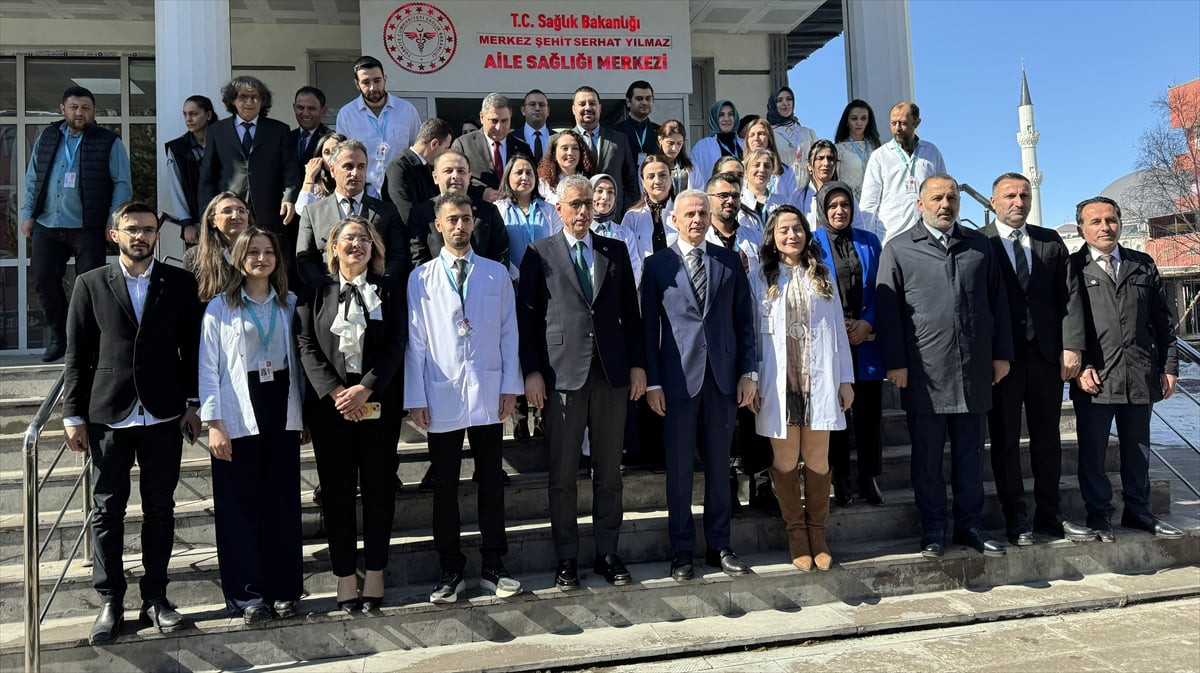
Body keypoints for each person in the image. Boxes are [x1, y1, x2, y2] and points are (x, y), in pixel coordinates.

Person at [61, 201, 201, 644]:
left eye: (146, 229)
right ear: (113, 234)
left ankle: (156, 598)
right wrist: (72, 414)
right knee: (107, 510)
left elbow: (192, 348)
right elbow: (77, 354)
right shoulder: (89, 283)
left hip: (163, 413)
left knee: (160, 509)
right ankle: (110, 600)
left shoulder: (179, 282)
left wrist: (194, 403)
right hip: (108, 415)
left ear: (157, 235)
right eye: (131, 229)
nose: (139, 236)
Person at [517, 175, 646, 590]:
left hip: (610, 376)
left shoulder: (616, 250)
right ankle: (566, 558)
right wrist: (532, 372)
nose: (583, 211)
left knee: (609, 472)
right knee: (563, 476)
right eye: (575, 204)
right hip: (561, 377)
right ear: (559, 208)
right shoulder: (540, 254)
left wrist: (639, 366)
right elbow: (529, 320)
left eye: (588, 203)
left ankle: (608, 552)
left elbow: (633, 314)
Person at [875, 174, 1012, 559]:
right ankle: (933, 528)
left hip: (972, 370)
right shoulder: (899, 249)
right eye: (936, 198)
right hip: (925, 374)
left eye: (952, 197)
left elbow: (998, 304)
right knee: (928, 460)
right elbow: (888, 313)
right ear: (920, 204)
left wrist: (1001, 354)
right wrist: (896, 363)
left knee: (970, 458)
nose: (945, 204)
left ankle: (971, 525)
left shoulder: (979, 247)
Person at [405, 192, 524, 603]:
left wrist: (511, 385)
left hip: (490, 390)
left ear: (476, 224)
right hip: (442, 392)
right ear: (438, 225)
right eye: (452, 219)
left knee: (491, 480)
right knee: (444, 484)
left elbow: (510, 333)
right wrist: (415, 396)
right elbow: (416, 342)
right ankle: (450, 569)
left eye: (466, 219)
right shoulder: (420, 278)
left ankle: (494, 564)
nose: (460, 226)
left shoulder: (495, 274)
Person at [641, 189, 757, 580]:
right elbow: (647, 329)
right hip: (676, 382)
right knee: (678, 471)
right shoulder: (656, 265)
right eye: (688, 213)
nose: (696, 219)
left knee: (720, 466)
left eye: (702, 213)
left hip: (722, 380)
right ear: (674, 219)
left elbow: (745, 320)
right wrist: (653, 382)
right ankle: (681, 550)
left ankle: (720, 545)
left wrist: (749, 372)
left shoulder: (728, 260)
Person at [297, 215, 407, 613]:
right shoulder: (315, 290)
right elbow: (306, 344)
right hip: (332, 410)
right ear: (333, 248)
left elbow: (398, 342)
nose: (356, 245)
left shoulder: (390, 289)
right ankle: (345, 576)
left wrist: (367, 387)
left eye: (363, 239)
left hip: (379, 404)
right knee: (338, 495)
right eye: (348, 239)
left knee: (379, 491)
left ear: (374, 247)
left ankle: (375, 571)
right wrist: (337, 392)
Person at [198, 227, 304, 625]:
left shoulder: (290, 302)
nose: (261, 258)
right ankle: (248, 597)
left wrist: (304, 414)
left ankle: (285, 591)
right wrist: (214, 423)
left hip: (281, 404)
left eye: (268, 252)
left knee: (282, 503)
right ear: (239, 258)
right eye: (253, 252)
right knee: (240, 507)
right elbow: (208, 369)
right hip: (239, 408)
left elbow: (301, 363)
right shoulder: (219, 308)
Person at [984, 173, 1093, 545]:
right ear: (993, 201)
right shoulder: (978, 243)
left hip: (1047, 356)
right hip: (1003, 359)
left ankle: (1050, 514)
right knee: (1006, 440)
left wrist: (1072, 345)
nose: (1018, 202)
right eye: (1010, 196)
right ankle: (1015, 517)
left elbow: (1070, 296)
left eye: (1024, 195)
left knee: (1048, 439)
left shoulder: (1049, 241)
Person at [1067, 196, 1182, 541]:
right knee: (1093, 454)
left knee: (1138, 451)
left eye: (1111, 220)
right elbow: (1067, 324)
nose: (1105, 227)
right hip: (1095, 379)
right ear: (1081, 229)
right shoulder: (1072, 268)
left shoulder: (1142, 264)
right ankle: (1099, 516)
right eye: (1096, 221)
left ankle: (1139, 512)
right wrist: (1081, 365)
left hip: (1140, 375)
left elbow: (1163, 323)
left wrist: (1169, 366)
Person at [751, 205, 855, 572]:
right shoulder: (761, 277)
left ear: (807, 234)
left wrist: (845, 379)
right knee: (784, 459)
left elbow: (839, 334)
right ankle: (796, 534)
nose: (791, 235)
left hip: (818, 381)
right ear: (773, 237)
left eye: (797, 228)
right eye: (783, 230)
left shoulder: (821, 277)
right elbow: (753, 332)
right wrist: (753, 378)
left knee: (816, 459)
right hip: (779, 382)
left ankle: (818, 535)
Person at [21, 85, 132, 362]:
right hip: (48, 223)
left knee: (89, 286)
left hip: (88, 226)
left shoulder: (109, 141)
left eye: (85, 108)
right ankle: (60, 334)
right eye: (74, 107)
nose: (79, 112)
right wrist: (26, 213)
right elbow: (33, 176)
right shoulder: (47, 136)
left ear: (94, 111)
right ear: (63, 109)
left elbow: (122, 184)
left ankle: (85, 342)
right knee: (43, 280)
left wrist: (113, 220)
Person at [811, 181, 885, 507]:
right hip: (831, 337)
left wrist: (868, 320)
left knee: (869, 412)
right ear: (823, 210)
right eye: (833, 206)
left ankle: (869, 476)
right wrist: (837, 322)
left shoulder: (869, 242)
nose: (839, 211)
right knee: (835, 410)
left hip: (865, 337)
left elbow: (883, 286)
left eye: (844, 205)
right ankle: (840, 477)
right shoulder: (811, 243)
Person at [198, 76, 302, 277]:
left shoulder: (279, 130)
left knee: (271, 266)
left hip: (270, 212)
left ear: (262, 102)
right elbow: (208, 176)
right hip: (230, 215)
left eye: (255, 98)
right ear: (233, 101)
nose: (249, 102)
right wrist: (204, 215)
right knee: (232, 268)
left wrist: (289, 198)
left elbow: (290, 169)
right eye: (243, 97)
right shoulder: (217, 131)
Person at [295, 139, 406, 293]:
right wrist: (328, 290)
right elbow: (305, 259)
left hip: (375, 298)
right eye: (348, 166)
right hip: (327, 296)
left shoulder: (386, 211)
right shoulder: (313, 212)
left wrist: (377, 287)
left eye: (361, 167)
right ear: (332, 170)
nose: (356, 173)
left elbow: (398, 256)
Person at [859, 101, 947, 244]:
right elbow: (869, 202)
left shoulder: (931, 152)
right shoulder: (880, 156)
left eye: (903, 123)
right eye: (893, 123)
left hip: (928, 235)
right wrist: (867, 241)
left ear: (916, 123)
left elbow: (945, 190)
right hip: (891, 235)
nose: (897, 128)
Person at [407, 150, 509, 268]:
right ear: (435, 177)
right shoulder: (421, 213)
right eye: (448, 171)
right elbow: (418, 258)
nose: (455, 176)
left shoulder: (488, 211)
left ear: (469, 177)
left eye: (461, 171)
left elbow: (500, 254)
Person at [335, 55, 421, 189]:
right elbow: (343, 157)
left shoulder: (407, 110)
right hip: (364, 190)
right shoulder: (346, 114)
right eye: (366, 82)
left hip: (401, 188)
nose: (372, 88)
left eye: (377, 81)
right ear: (357, 84)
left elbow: (417, 151)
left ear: (385, 79)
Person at [571, 86, 640, 217]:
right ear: (574, 109)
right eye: (582, 104)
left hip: (614, 217)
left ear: (600, 108)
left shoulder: (619, 139)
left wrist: (627, 213)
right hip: (577, 217)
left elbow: (630, 179)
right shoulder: (562, 141)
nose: (588, 108)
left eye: (592, 103)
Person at [451, 93, 532, 203]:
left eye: (504, 121)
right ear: (482, 117)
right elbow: (453, 180)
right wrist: (481, 192)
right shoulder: (463, 145)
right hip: (478, 212)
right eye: (494, 121)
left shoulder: (522, 148)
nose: (499, 127)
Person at [495, 154, 561, 280]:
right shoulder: (498, 209)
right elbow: (497, 249)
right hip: (511, 282)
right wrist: (517, 276)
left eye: (529, 173)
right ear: (508, 176)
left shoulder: (550, 210)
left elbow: (559, 246)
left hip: (546, 280)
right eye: (519, 173)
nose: (524, 177)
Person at [166, 94, 218, 244]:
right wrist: (186, 223)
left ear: (208, 115)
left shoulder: (225, 142)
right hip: (196, 224)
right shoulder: (177, 148)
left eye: (193, 114)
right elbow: (176, 188)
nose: (188, 119)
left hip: (226, 219)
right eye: (185, 114)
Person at [384, 117, 454, 224]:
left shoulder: (430, 167)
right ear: (434, 144)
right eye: (445, 148)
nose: (445, 154)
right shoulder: (399, 168)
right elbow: (406, 213)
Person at [186, 192, 251, 303]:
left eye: (241, 211)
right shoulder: (194, 256)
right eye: (227, 211)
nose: (236, 216)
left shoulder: (261, 252)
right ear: (213, 221)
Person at [621, 154, 677, 271]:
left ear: (670, 178)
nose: (657, 181)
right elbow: (627, 257)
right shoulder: (632, 217)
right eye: (651, 177)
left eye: (663, 175)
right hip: (645, 284)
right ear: (643, 182)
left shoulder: (683, 211)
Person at [768, 86, 819, 191]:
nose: (785, 103)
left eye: (789, 99)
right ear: (773, 105)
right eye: (779, 100)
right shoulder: (768, 133)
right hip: (781, 192)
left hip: (807, 193)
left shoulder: (808, 133)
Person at [742, 117, 800, 203]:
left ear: (770, 139)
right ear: (747, 141)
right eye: (752, 135)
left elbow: (793, 201)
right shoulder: (738, 168)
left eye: (761, 134)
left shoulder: (786, 170)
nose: (756, 138)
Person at [834, 100, 882, 199]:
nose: (859, 123)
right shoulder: (839, 149)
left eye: (864, 118)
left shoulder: (876, 148)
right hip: (850, 201)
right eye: (854, 118)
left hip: (874, 199)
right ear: (847, 121)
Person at [690, 100, 742, 189]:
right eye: (721, 115)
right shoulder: (702, 146)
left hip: (742, 199)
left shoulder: (744, 144)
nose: (726, 119)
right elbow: (694, 180)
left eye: (730, 114)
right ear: (714, 118)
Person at [537, 129, 594, 204]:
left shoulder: (591, 181)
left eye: (575, 148)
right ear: (554, 154)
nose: (570, 153)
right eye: (565, 148)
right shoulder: (543, 184)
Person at [612, 80, 660, 162]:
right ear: (628, 102)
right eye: (639, 99)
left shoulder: (661, 131)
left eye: (648, 99)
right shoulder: (615, 132)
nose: (644, 102)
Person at [290, 86, 331, 177]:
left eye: (311, 109)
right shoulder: (287, 137)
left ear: (323, 111)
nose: (305, 113)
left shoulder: (330, 140)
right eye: (300, 108)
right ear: (294, 107)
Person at [742, 149, 790, 224]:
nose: (761, 169)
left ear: (772, 172)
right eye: (756, 165)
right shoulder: (738, 202)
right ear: (745, 171)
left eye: (767, 166)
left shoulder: (783, 202)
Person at [796, 140, 839, 221]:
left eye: (830, 158)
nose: (826, 163)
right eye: (820, 158)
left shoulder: (846, 196)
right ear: (809, 166)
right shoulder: (798, 198)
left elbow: (858, 228)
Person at [656, 120, 697, 194]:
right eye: (670, 143)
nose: (674, 148)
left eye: (679, 143)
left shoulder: (691, 165)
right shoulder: (651, 165)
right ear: (660, 140)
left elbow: (699, 189)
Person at [515, 89, 551, 164]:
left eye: (541, 105)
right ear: (523, 110)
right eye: (532, 104)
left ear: (548, 111)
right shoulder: (512, 138)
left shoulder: (558, 138)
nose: (537, 108)